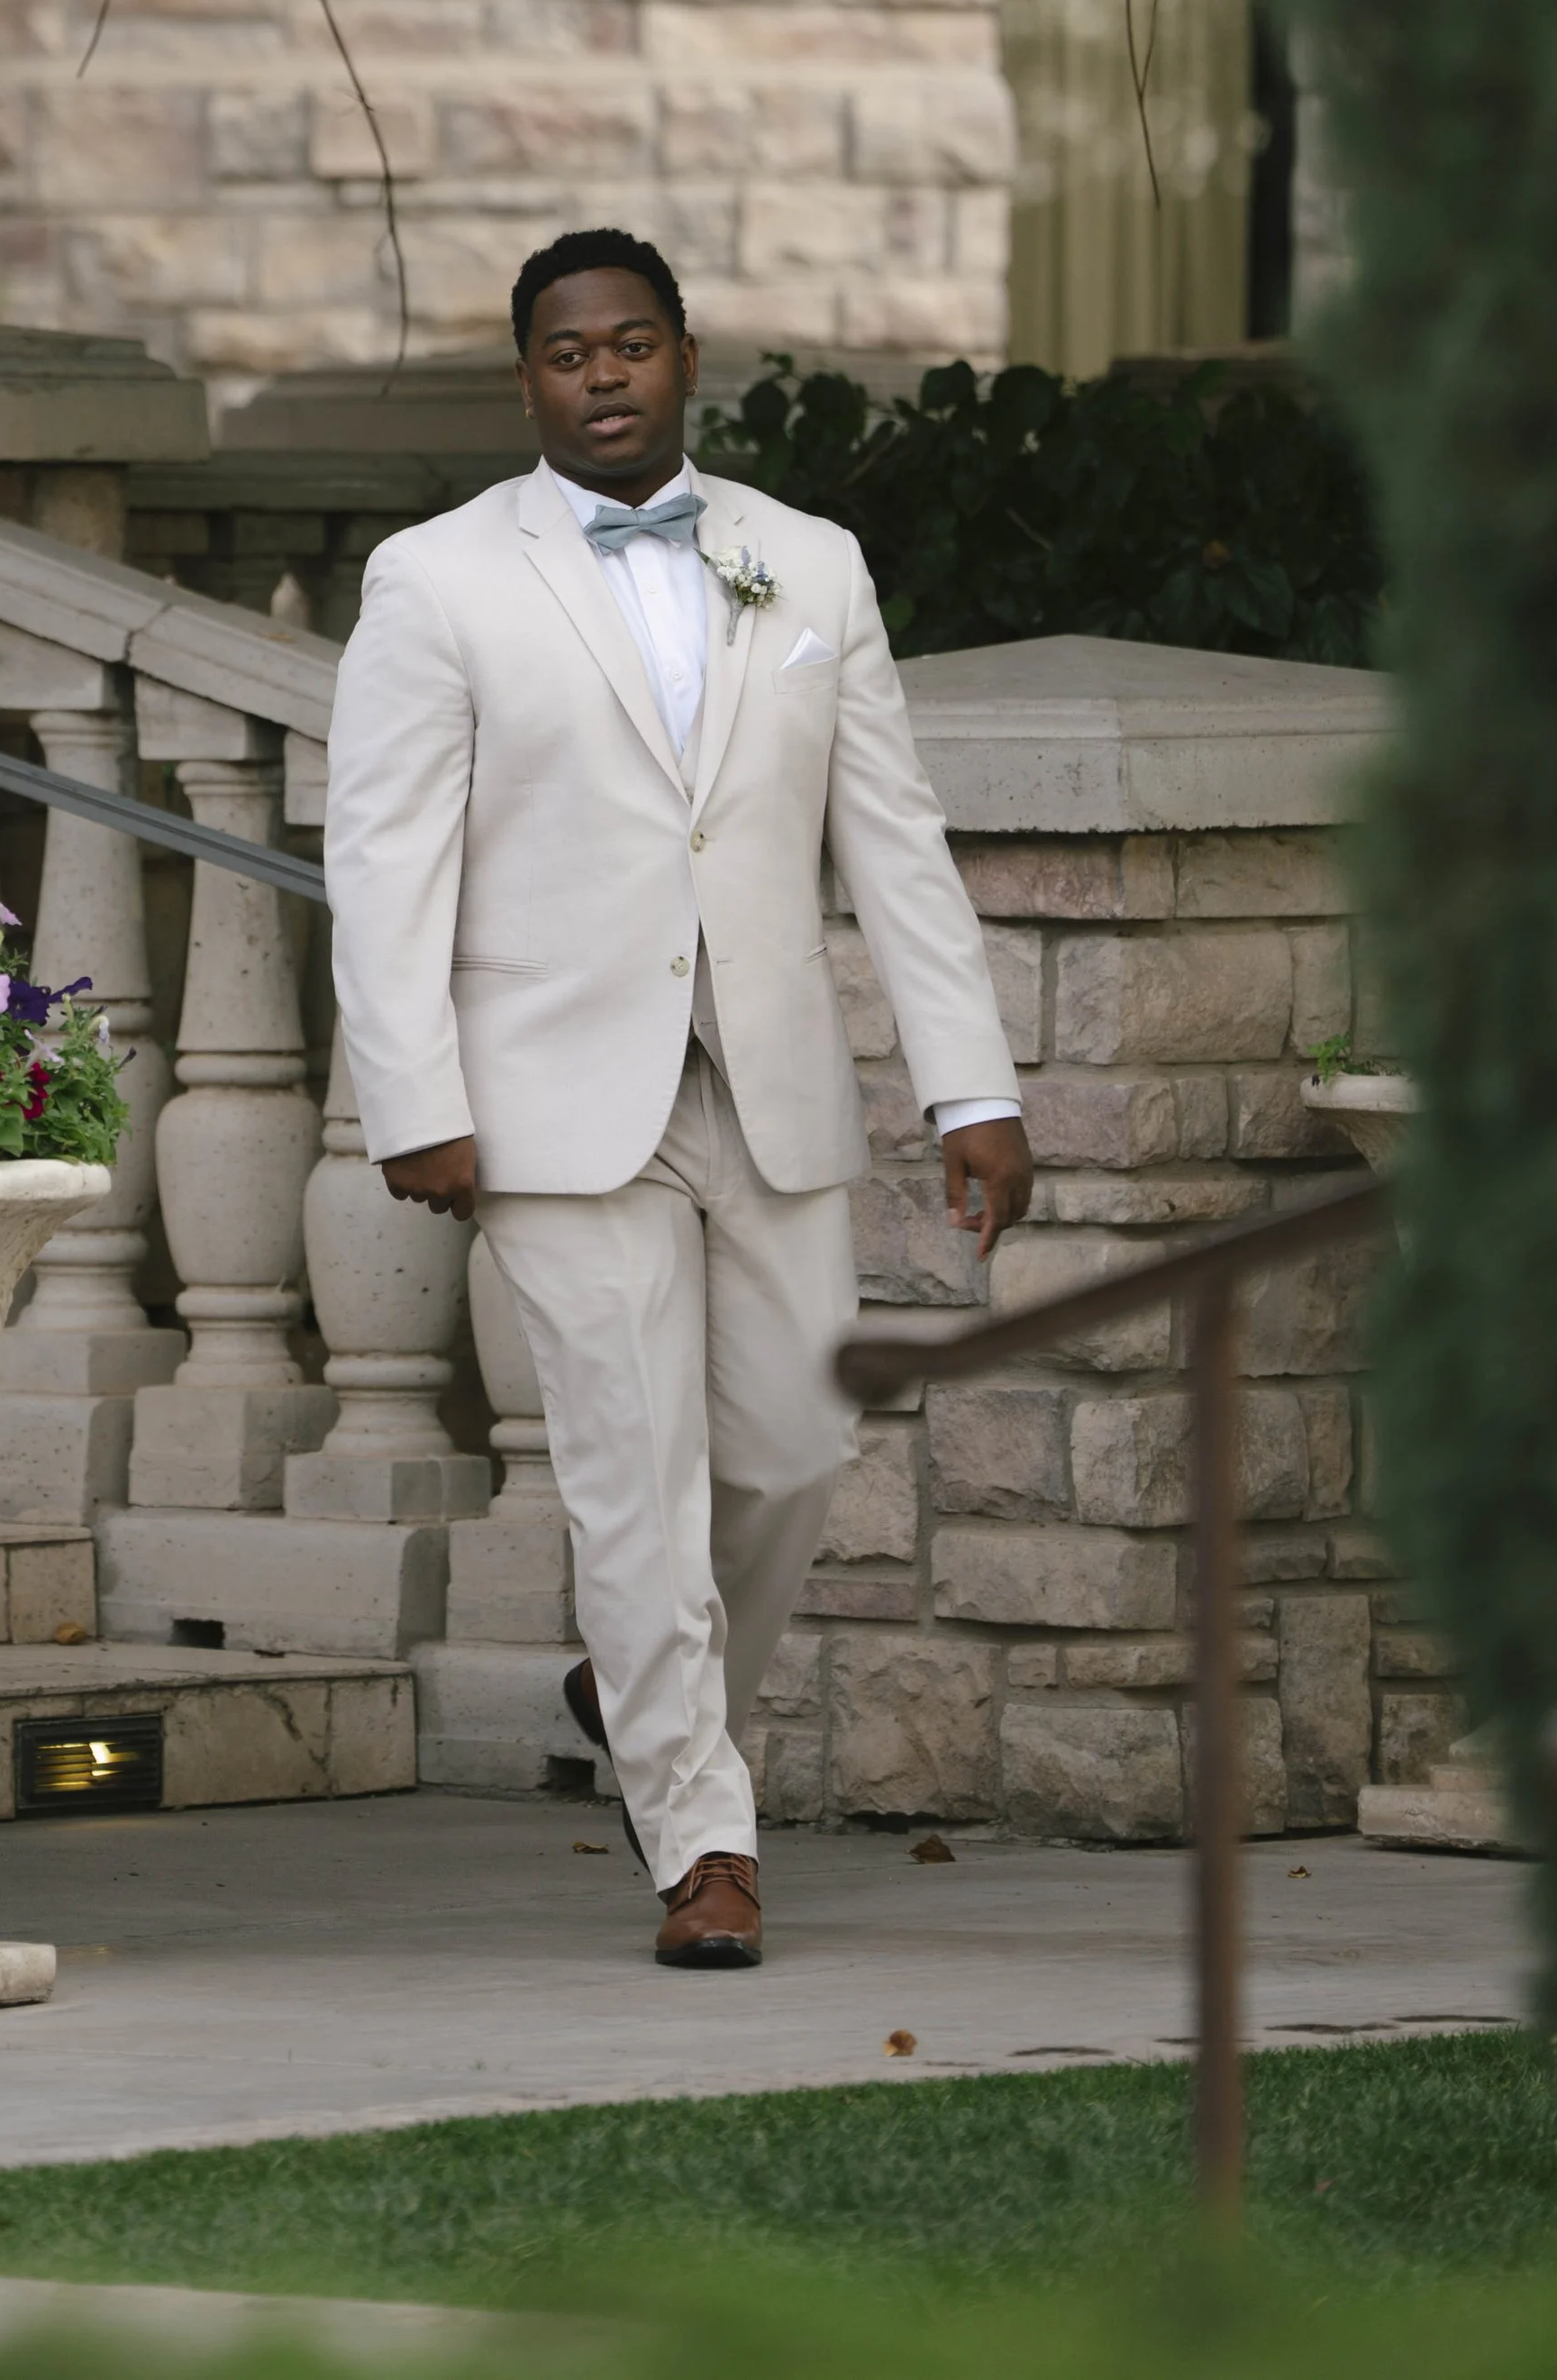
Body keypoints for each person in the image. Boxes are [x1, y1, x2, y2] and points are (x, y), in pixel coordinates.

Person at [324, 228, 1031, 1967]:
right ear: (529, 383)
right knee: (632, 1473)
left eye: (633, 344)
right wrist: (408, 1089)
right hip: (559, 1102)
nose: (606, 376)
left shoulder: (810, 566)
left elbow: (897, 846)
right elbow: (384, 853)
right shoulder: (438, 580)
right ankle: (702, 1842)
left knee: (796, 1446)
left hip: (767, 1082)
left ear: (686, 357)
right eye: (570, 355)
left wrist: (972, 1088)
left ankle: (631, 1674)